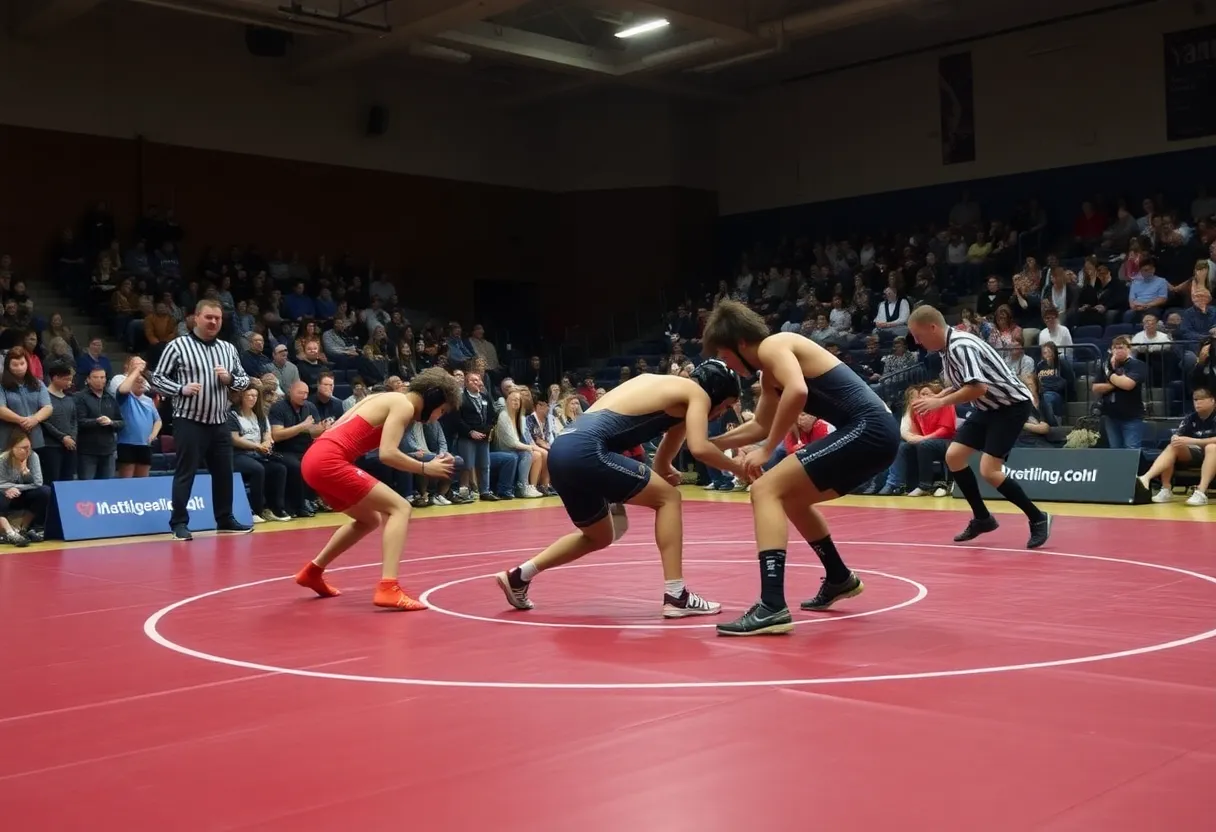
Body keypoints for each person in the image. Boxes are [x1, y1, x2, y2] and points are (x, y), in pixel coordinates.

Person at [700, 301, 900, 636]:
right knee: (790, 499)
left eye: (725, 355)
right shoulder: (769, 376)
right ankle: (839, 577)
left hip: (870, 429)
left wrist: (766, 451)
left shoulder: (776, 345)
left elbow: (798, 390)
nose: (727, 364)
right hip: (872, 434)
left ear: (741, 343)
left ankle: (772, 605)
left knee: (765, 489)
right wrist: (711, 444)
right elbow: (760, 425)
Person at [494, 360, 746, 618]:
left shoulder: (664, 387)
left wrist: (666, 470)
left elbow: (662, 461)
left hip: (562, 452)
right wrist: (741, 469)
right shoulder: (697, 394)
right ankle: (676, 595)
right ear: (714, 392)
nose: (720, 413)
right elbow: (700, 448)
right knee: (669, 499)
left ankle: (519, 576)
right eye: (725, 406)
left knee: (599, 535)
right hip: (587, 451)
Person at [293, 367, 462, 610]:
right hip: (329, 460)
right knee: (400, 508)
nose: (437, 417)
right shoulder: (402, 405)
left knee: (368, 520)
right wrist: (426, 468)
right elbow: (388, 453)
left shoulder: (381, 397)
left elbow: (343, 429)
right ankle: (388, 587)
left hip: (314, 459)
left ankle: (312, 572)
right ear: (433, 398)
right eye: (441, 410)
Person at [906, 304, 1052, 548]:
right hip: (987, 407)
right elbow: (962, 383)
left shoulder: (961, 346)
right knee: (953, 456)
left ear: (933, 328)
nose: (918, 343)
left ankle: (1038, 518)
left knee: (989, 470)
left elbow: (977, 387)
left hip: (1010, 406)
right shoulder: (946, 349)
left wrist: (939, 401)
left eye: (919, 336)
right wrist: (939, 394)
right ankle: (982, 518)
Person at [150, 299, 253, 540]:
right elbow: (157, 379)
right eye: (209, 317)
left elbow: (244, 380)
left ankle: (225, 518)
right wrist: (180, 389)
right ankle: (179, 523)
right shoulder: (178, 346)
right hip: (189, 420)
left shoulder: (228, 349)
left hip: (219, 421)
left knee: (224, 473)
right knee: (186, 472)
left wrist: (229, 380)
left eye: (217, 318)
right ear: (195, 317)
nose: (214, 322)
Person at [1138, 387, 1216, 506]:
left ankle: (1201, 492)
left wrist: (1192, 440)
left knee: (1212, 447)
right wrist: (1176, 438)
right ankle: (1151, 481)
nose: (1197, 403)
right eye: (1195, 400)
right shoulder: (1191, 418)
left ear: (1212, 401)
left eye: (1201, 399)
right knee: (1174, 445)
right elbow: (1177, 435)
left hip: (1212, 452)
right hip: (1196, 452)